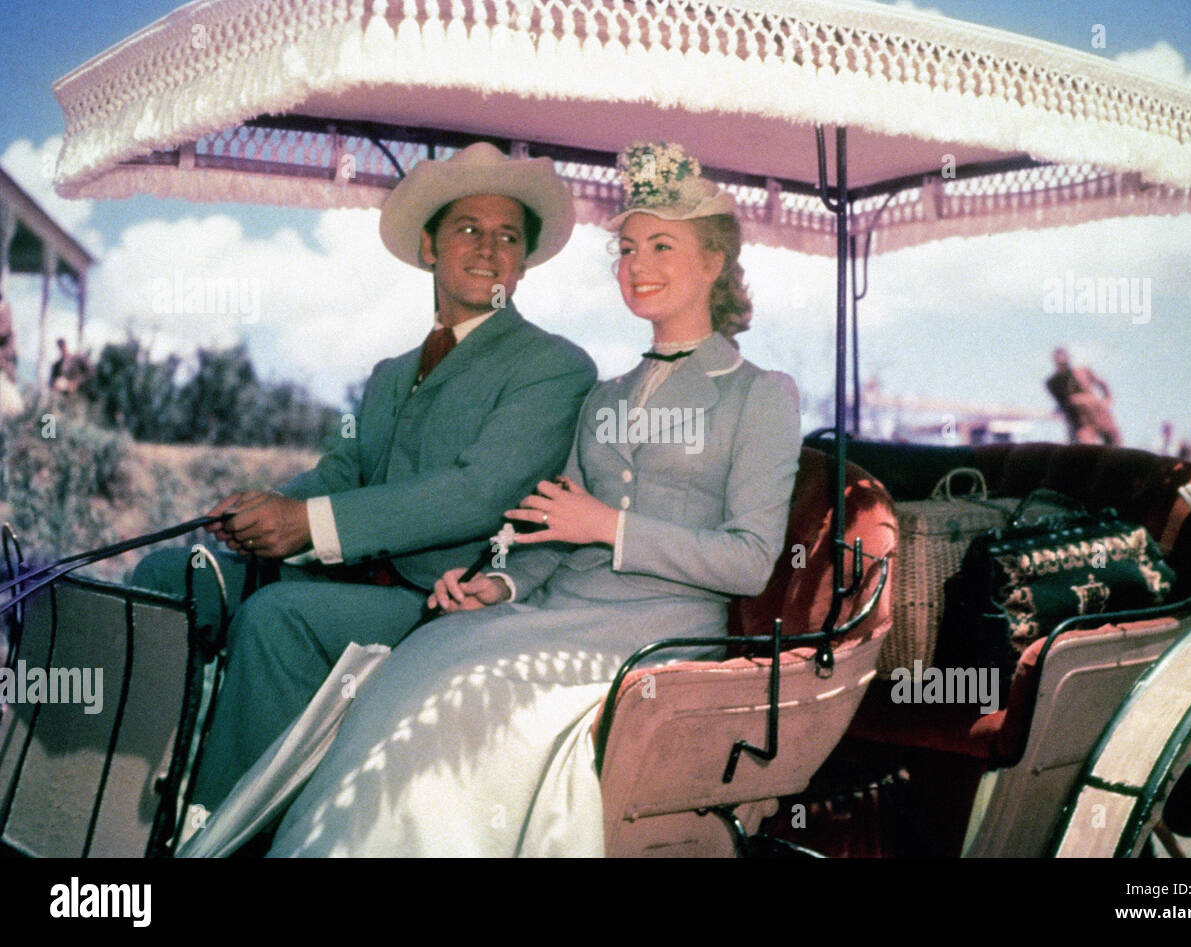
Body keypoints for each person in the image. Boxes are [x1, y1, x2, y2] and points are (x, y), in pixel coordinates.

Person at [267, 141, 802, 857]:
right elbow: (555, 529)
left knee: (470, 704)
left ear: (713, 261)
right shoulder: (605, 394)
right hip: (554, 610)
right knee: (417, 665)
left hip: (654, 630)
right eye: (628, 247)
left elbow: (752, 561)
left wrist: (609, 525)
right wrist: (501, 581)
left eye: (662, 245)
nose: (637, 265)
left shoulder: (758, 393)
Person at [132, 142, 597, 813]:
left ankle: (230, 829)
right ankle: (124, 794)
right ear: (430, 246)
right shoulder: (389, 374)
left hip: (443, 602)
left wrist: (309, 524)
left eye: (507, 237)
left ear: (522, 264)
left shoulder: (554, 366)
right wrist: (267, 507)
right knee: (169, 576)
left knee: (276, 617)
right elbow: (343, 467)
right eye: (469, 228)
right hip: (350, 578)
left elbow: (478, 491)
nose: (488, 248)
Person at [1044, 347, 1121, 445]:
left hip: (1098, 412)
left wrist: (1107, 400)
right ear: (1055, 361)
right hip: (1080, 419)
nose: (1063, 362)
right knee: (1084, 448)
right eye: (1059, 359)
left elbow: (1102, 384)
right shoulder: (1052, 382)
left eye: (1065, 358)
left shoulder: (1083, 371)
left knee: (1114, 442)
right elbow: (1061, 402)